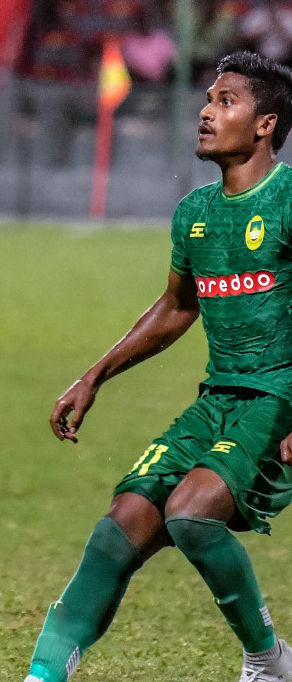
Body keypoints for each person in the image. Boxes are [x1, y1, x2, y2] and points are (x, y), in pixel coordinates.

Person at [24, 51, 292, 682]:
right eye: (208, 98)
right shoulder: (195, 213)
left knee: (191, 514)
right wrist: (94, 375)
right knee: (120, 527)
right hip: (217, 398)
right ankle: (42, 675)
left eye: (226, 101)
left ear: (265, 124)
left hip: (276, 397)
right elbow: (177, 308)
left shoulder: (287, 201)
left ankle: (267, 659)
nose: (206, 111)